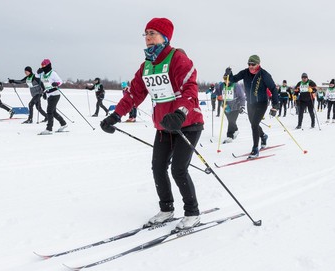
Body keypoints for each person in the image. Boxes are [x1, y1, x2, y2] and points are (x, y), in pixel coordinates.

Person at [100, 18, 204, 230]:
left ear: (165, 37)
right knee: (158, 168)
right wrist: (116, 115)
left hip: (187, 124)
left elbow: (190, 92)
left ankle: (192, 212)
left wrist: (180, 113)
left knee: (178, 169)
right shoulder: (147, 66)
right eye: (146, 33)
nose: (148, 37)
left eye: (153, 33)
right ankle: (166, 209)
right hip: (164, 127)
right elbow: (133, 94)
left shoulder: (179, 59)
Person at [225, 55, 279, 159]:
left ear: (258, 64)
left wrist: (275, 105)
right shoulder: (245, 72)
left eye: (253, 64)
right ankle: (263, 136)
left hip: (262, 103)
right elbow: (233, 79)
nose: (250, 66)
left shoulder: (264, 74)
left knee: (254, 124)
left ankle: (255, 149)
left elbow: (273, 89)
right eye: (249, 64)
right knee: (254, 124)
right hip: (250, 103)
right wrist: (228, 74)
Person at [37, 59, 67, 135]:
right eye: (42, 66)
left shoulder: (53, 73)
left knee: (49, 111)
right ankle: (63, 123)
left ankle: (49, 128)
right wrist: (38, 71)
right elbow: (37, 76)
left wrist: (56, 83)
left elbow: (60, 81)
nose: (43, 67)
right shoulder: (43, 74)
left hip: (55, 94)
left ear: (48, 65)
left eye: (44, 66)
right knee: (53, 112)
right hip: (49, 95)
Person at [214, 76, 246, 143]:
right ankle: (236, 130)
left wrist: (242, 106)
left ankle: (229, 136)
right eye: (224, 79)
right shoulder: (221, 85)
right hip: (226, 106)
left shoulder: (236, 86)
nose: (226, 81)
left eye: (227, 79)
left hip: (235, 106)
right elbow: (216, 92)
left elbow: (242, 97)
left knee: (231, 121)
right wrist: (217, 96)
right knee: (230, 121)